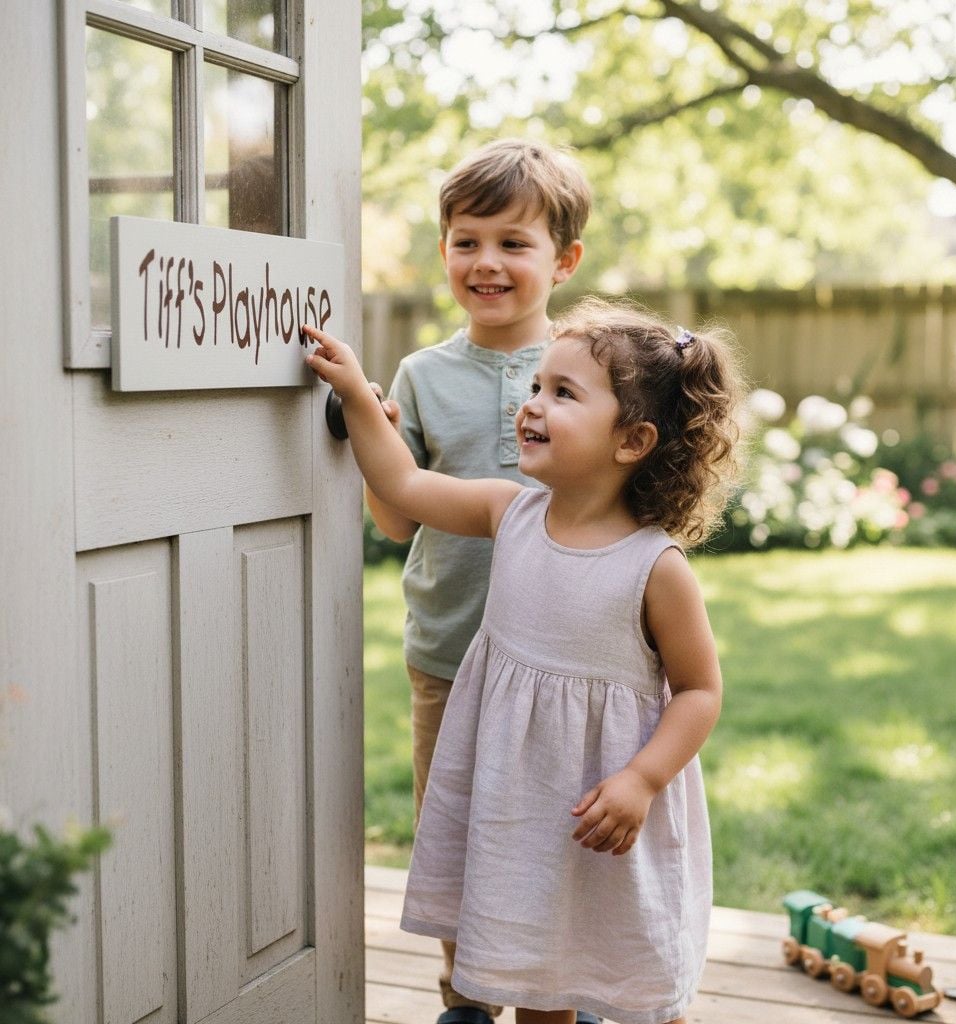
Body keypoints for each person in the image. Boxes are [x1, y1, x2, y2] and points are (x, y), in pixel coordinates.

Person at [303, 294, 744, 1024]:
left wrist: (641, 780)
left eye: (563, 393)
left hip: (604, 806)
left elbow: (700, 691)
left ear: (632, 440)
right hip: (521, 801)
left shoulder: (655, 567)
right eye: (537, 385)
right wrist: (355, 394)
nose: (532, 404)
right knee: (539, 975)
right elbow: (404, 484)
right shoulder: (508, 513)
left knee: (631, 972)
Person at [364, 138, 591, 1024]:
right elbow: (398, 520)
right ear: (444, 251)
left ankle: (561, 989)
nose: (486, 262)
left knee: (552, 838)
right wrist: (374, 441)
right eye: (467, 241)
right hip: (451, 653)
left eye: (513, 242)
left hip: (566, 661)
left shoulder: (592, 370)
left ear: (564, 260)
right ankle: (465, 995)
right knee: (454, 831)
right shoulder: (422, 376)